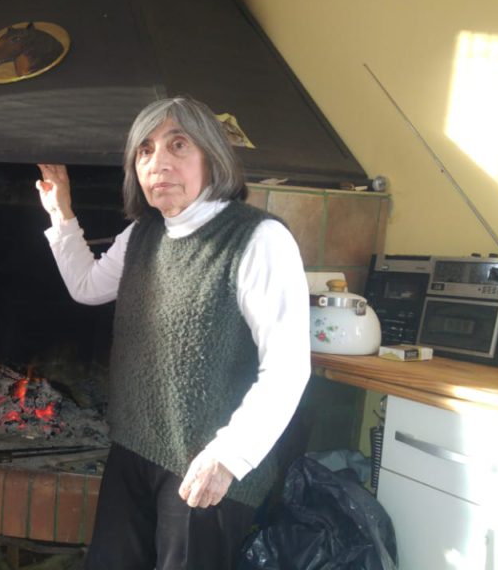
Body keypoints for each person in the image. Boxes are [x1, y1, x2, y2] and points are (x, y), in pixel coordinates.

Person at [35, 96, 310, 569]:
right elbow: (86, 287)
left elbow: (287, 368)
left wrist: (227, 457)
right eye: (144, 150)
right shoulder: (142, 234)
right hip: (135, 447)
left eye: (177, 145)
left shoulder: (258, 239)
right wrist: (61, 214)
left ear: (212, 157)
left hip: (208, 466)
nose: (158, 162)